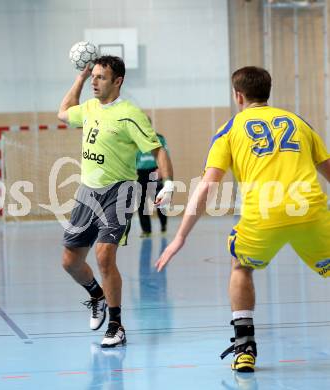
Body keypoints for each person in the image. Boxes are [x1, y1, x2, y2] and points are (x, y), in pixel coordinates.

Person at [155, 66, 330, 372]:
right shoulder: (298, 123)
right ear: (267, 92)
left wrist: (180, 236)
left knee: (241, 266)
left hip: (263, 215)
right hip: (310, 209)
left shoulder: (230, 129)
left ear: (238, 95)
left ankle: (244, 348)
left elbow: (207, 186)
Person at [57, 55, 174, 348]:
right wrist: (80, 78)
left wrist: (168, 184)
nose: (95, 82)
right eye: (93, 76)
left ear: (118, 81)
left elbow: (158, 149)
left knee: (104, 255)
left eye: (101, 77)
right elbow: (62, 113)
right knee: (70, 262)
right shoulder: (89, 108)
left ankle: (116, 326)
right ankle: (96, 295)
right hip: (88, 191)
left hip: (120, 190)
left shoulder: (130, 114)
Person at [136, 119, 169, 237]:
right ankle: (146, 230)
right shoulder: (135, 139)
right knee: (141, 202)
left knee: (159, 199)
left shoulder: (159, 138)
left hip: (155, 170)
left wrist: (161, 169)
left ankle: (163, 224)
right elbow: (131, 157)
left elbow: (165, 154)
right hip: (140, 172)